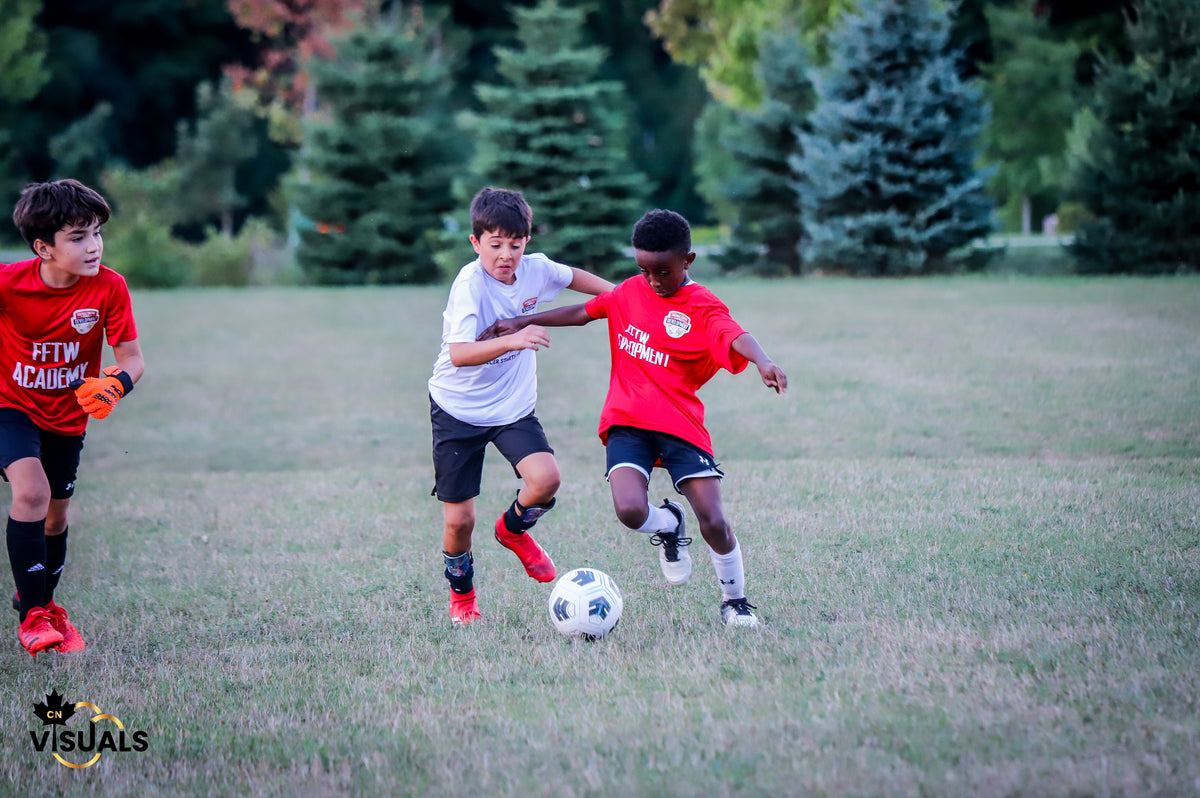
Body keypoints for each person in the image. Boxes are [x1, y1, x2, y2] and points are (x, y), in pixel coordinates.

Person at [481, 209, 787, 627]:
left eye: (663, 270)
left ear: (688, 261)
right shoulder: (631, 291)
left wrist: (763, 361)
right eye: (644, 270)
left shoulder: (702, 305)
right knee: (628, 509)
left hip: (680, 424)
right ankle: (669, 524)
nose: (654, 280)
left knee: (713, 519)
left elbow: (734, 334)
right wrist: (521, 321)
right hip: (628, 421)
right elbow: (584, 311)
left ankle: (735, 601)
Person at [428, 187, 612, 626]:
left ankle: (512, 530)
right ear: (476, 244)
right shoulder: (469, 285)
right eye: (495, 245)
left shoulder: (536, 270)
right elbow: (458, 353)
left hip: (512, 407)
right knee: (458, 523)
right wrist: (516, 336)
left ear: (526, 241)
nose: (505, 255)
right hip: (458, 408)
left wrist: (630, 299)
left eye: (515, 244)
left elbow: (582, 281)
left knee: (546, 479)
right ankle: (464, 598)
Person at [2, 179, 144, 656]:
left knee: (56, 517)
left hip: (65, 420)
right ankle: (33, 618)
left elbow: (132, 360)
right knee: (32, 492)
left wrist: (115, 385)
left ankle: (43, 604)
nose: (93, 246)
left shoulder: (110, 287)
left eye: (97, 233)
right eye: (78, 237)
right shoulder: (9, 284)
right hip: (10, 407)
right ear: (43, 247)